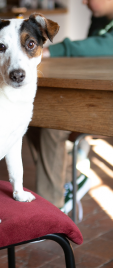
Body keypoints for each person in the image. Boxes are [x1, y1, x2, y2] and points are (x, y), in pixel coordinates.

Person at [26, 0, 113, 213]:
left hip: (106, 102)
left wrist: (54, 51)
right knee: (34, 117)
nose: (83, 2)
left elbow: (106, 45)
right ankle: (69, 183)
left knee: (52, 124)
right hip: (98, 93)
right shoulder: (100, 18)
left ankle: (51, 212)